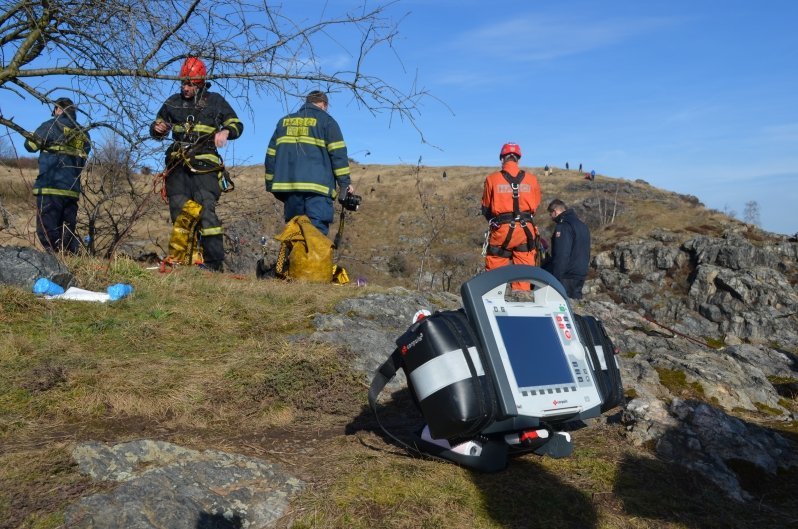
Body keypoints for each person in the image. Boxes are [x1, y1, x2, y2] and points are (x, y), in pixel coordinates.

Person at [150, 57, 244, 271]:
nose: (185, 88)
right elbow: (157, 124)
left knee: (205, 212)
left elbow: (236, 124)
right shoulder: (173, 101)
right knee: (179, 213)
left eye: (190, 84)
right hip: (177, 167)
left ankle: (213, 263)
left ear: (200, 83)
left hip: (205, 168)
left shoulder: (216, 101)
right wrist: (158, 129)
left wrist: (226, 131)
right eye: (183, 83)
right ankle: (185, 259)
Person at [265, 90, 353, 236]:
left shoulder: (283, 122)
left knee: (294, 234)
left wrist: (271, 186)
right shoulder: (327, 121)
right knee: (315, 238)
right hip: (317, 193)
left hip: (290, 191)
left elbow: (270, 156)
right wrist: (345, 184)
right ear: (324, 105)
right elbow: (338, 155)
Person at [24, 97, 91, 254]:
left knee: (47, 233)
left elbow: (30, 146)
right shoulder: (84, 134)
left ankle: (56, 264)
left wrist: (31, 135)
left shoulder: (51, 125)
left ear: (58, 110)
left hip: (51, 187)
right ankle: (71, 260)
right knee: (66, 232)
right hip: (72, 190)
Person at [481, 142, 542, 290]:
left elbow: (486, 208)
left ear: (502, 159)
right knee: (524, 272)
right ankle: (522, 301)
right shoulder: (532, 179)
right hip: (525, 231)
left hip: (501, 231)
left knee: (495, 268)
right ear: (518, 159)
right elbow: (535, 206)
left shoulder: (492, 179)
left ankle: (494, 301)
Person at [544, 199, 590, 299]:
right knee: (575, 307)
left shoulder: (564, 226)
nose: (550, 216)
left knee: (562, 306)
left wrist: (555, 278)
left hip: (567, 275)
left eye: (550, 213)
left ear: (555, 211)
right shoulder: (582, 225)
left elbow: (562, 254)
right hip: (580, 273)